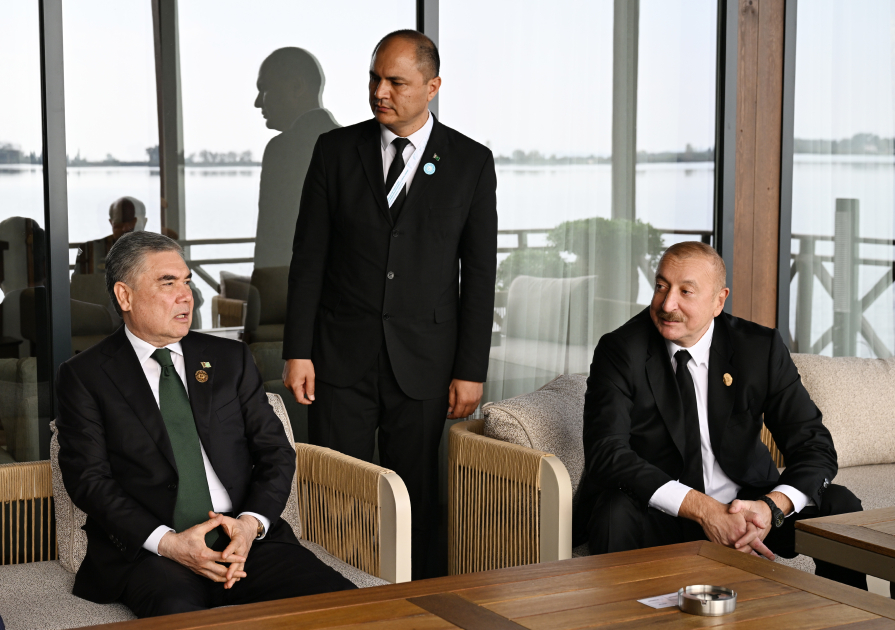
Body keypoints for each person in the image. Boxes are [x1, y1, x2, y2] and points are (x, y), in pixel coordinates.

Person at [282, 30, 497, 579]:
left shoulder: (471, 162)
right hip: (339, 356)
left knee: (415, 495)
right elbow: (308, 258)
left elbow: (478, 276)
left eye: (396, 82)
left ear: (432, 86)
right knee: (337, 492)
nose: (380, 92)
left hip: (426, 360)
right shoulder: (334, 151)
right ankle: (337, 595)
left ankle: (414, 599)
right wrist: (297, 350)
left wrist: (471, 369)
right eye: (375, 79)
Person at [55, 231, 355, 618]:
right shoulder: (85, 375)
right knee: (181, 616)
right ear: (124, 296)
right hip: (154, 553)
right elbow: (89, 479)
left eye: (187, 282)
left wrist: (250, 524)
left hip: (245, 540)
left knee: (348, 608)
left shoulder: (230, 358)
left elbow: (275, 451)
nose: (186, 296)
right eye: (168, 283)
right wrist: (168, 543)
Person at [575, 241, 866, 590]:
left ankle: (849, 613)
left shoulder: (759, 348)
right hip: (665, 510)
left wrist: (770, 508)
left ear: (718, 301)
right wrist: (704, 510)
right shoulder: (620, 350)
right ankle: (623, 614)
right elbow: (607, 453)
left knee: (840, 506)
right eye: (661, 286)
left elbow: (814, 446)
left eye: (685, 291)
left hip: (748, 507)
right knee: (613, 512)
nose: (667, 304)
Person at [253, 47, 339, 269]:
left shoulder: (282, 149)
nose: (258, 102)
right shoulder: (354, 146)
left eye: (264, 89)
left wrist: (259, 288)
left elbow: (272, 245)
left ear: (297, 87)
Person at [73, 196, 147, 275]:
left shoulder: (90, 250)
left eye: (131, 223)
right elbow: (79, 282)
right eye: (119, 224)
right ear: (111, 223)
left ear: (144, 222)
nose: (125, 228)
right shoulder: (87, 251)